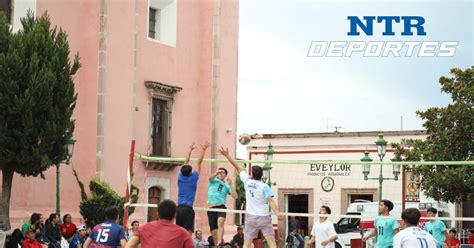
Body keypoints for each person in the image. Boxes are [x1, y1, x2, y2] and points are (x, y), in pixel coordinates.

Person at [219, 147, 283, 248]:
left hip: (251, 217)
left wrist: (227, 155)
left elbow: (237, 166)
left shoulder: (247, 180)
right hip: (264, 217)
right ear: (261, 175)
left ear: (252, 174)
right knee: (271, 243)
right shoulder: (264, 186)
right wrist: (277, 213)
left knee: (246, 244)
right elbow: (270, 200)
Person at [125, 199, 194, 248]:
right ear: (175, 215)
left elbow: (128, 246)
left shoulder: (143, 229)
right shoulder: (183, 233)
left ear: (157, 214)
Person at [177, 141, 210, 234]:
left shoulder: (180, 177)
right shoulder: (193, 178)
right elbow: (199, 163)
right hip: (187, 208)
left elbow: (185, 162)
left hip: (178, 208)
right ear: (190, 172)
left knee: (179, 231)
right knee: (188, 231)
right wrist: (203, 150)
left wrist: (189, 150)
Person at [207, 165, 238, 246]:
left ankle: (219, 243)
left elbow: (235, 196)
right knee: (214, 231)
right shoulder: (213, 180)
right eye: (219, 172)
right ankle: (216, 245)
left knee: (220, 221)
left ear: (225, 175)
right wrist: (216, 172)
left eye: (222, 172)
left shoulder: (226, 185)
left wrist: (231, 184)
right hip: (211, 208)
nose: (220, 173)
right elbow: (210, 178)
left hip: (221, 206)